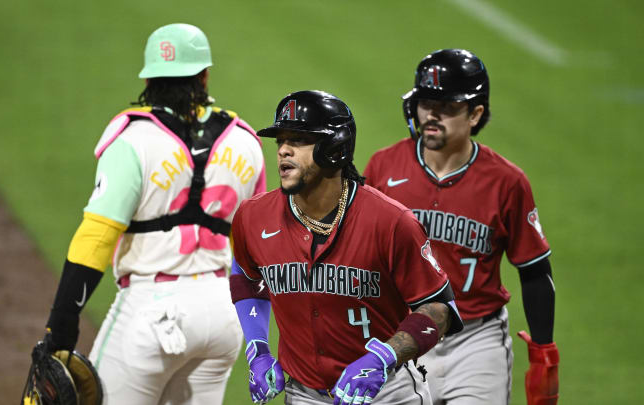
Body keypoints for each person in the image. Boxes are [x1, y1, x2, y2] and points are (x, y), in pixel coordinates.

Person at [38, 23, 266, 404]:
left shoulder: (133, 141)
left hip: (153, 313)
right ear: (205, 75)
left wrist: (61, 327)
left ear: (148, 78)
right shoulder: (246, 142)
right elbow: (255, 249)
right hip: (223, 316)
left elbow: (97, 237)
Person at [228, 90, 463, 405]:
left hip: (386, 395)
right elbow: (245, 273)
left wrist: (385, 356)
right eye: (280, 140)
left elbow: (439, 309)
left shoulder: (391, 222)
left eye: (298, 140)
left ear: (334, 149)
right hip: (303, 395)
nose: (283, 150)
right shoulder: (253, 217)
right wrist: (258, 348)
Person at [363, 49, 559, 405]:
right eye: (425, 103)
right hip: (402, 337)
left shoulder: (506, 182)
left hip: (475, 343)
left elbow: (533, 270)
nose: (431, 115)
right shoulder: (383, 167)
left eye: (448, 107)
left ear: (476, 113)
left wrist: (544, 348)